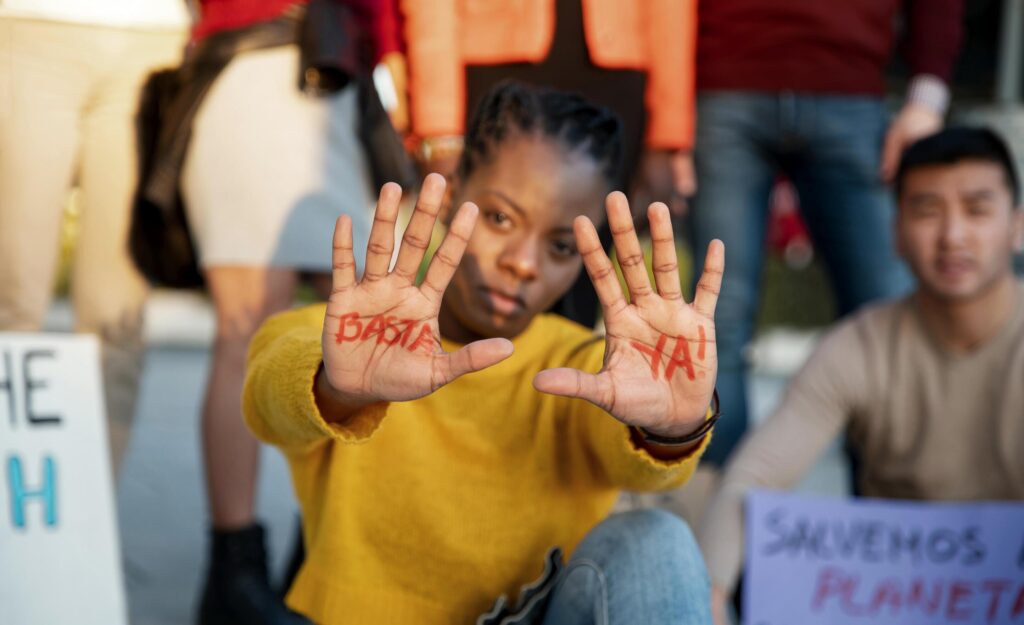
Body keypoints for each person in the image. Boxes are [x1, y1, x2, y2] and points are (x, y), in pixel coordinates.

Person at [243, 82, 723, 624]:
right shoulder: (346, 341)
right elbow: (267, 399)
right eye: (499, 218)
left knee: (657, 540)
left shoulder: (584, 368)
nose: (523, 262)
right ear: (450, 193)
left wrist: (672, 429)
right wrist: (336, 386)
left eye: (561, 246)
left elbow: (641, 473)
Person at [698, 127, 1024, 625]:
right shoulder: (858, 345)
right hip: (893, 601)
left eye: (977, 209)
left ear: (1017, 226)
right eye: (927, 210)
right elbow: (754, 478)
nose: (953, 235)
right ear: (894, 232)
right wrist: (711, 593)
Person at [181, 1, 403, 623]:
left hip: (344, 78)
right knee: (243, 327)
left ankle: (328, 551)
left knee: (367, 336)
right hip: (255, 59)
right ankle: (233, 573)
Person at [687, 0, 966, 480]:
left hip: (848, 85)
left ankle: (901, 522)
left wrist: (928, 96)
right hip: (725, 79)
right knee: (716, 320)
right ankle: (711, 533)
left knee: (889, 316)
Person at [401, 0, 698, 326]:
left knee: (583, 263)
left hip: (616, 75)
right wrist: (439, 129)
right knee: (474, 272)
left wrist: (666, 137)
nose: (524, 265)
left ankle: (563, 372)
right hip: (490, 57)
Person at [0, 1, 188, 472]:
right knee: (12, 301)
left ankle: (89, 528)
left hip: (155, 39)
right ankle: (12, 518)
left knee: (117, 317)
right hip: (31, 29)